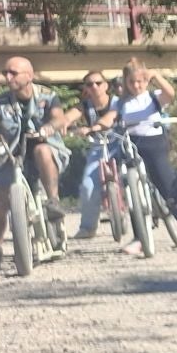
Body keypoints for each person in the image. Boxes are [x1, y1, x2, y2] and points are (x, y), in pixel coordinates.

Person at [0, 56, 67, 270]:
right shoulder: (1, 102)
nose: (7, 76)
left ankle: (53, 201)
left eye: (13, 72)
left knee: (42, 150)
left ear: (29, 76)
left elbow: (59, 118)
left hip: (45, 146)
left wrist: (48, 129)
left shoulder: (48, 96)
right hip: (14, 153)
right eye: (5, 72)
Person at [115, 59, 177, 253]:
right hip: (132, 145)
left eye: (141, 81)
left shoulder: (153, 97)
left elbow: (171, 94)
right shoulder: (121, 103)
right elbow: (111, 118)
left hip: (155, 144)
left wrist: (155, 77)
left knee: (169, 188)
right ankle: (139, 238)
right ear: (126, 82)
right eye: (132, 82)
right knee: (131, 189)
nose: (136, 86)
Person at [66, 70, 125, 240]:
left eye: (98, 83)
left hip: (122, 144)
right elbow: (68, 117)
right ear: (86, 88)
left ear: (106, 85)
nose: (94, 87)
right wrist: (61, 125)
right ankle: (88, 228)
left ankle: (147, 214)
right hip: (99, 147)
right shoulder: (84, 105)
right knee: (88, 186)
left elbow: (109, 119)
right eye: (90, 84)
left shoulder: (119, 103)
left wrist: (93, 128)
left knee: (134, 176)